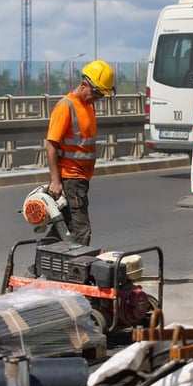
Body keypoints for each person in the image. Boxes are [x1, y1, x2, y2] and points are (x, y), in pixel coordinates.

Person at [44, 59, 116, 246]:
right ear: (84, 84)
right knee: (81, 230)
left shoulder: (88, 106)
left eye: (102, 94)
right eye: (97, 93)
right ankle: (75, 271)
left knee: (63, 227)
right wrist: (55, 180)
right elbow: (51, 144)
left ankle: (39, 268)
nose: (98, 98)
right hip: (71, 178)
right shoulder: (66, 106)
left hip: (81, 179)